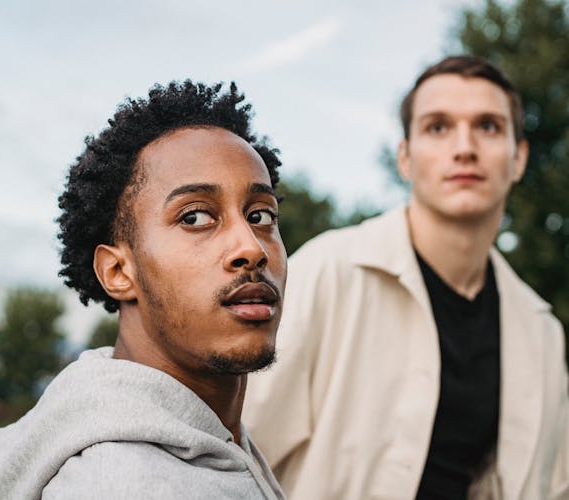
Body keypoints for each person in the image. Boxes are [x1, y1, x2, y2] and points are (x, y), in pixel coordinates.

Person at [243, 55, 569, 499]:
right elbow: (235, 449)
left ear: (519, 158)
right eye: (438, 127)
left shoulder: (541, 332)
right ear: (405, 158)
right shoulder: (328, 272)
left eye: (488, 126)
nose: (464, 147)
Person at [0, 81, 288, 500]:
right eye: (195, 218)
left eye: (260, 214)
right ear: (119, 271)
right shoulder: (118, 482)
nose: (250, 247)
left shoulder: (207, 441)